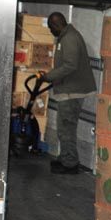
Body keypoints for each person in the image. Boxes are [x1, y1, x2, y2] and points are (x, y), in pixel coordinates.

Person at [37, 12, 97, 174]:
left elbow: (70, 65)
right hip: (69, 90)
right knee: (65, 127)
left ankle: (70, 164)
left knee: (66, 128)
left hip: (73, 92)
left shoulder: (69, 38)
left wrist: (49, 77)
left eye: (51, 28)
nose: (51, 31)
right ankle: (66, 158)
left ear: (57, 25)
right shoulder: (66, 37)